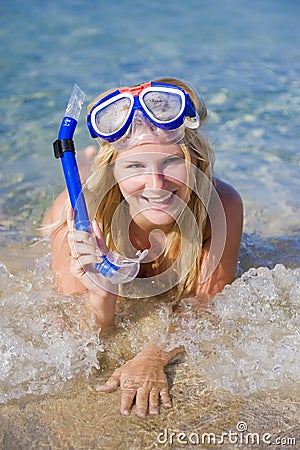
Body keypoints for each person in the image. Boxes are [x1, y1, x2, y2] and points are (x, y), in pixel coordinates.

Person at [42, 77, 243, 418]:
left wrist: (153, 354)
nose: (156, 184)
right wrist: (102, 299)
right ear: (115, 171)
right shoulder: (77, 217)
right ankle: (91, 160)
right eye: (135, 165)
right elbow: (77, 341)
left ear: (196, 163)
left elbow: (204, 306)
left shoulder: (221, 205)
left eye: (170, 163)